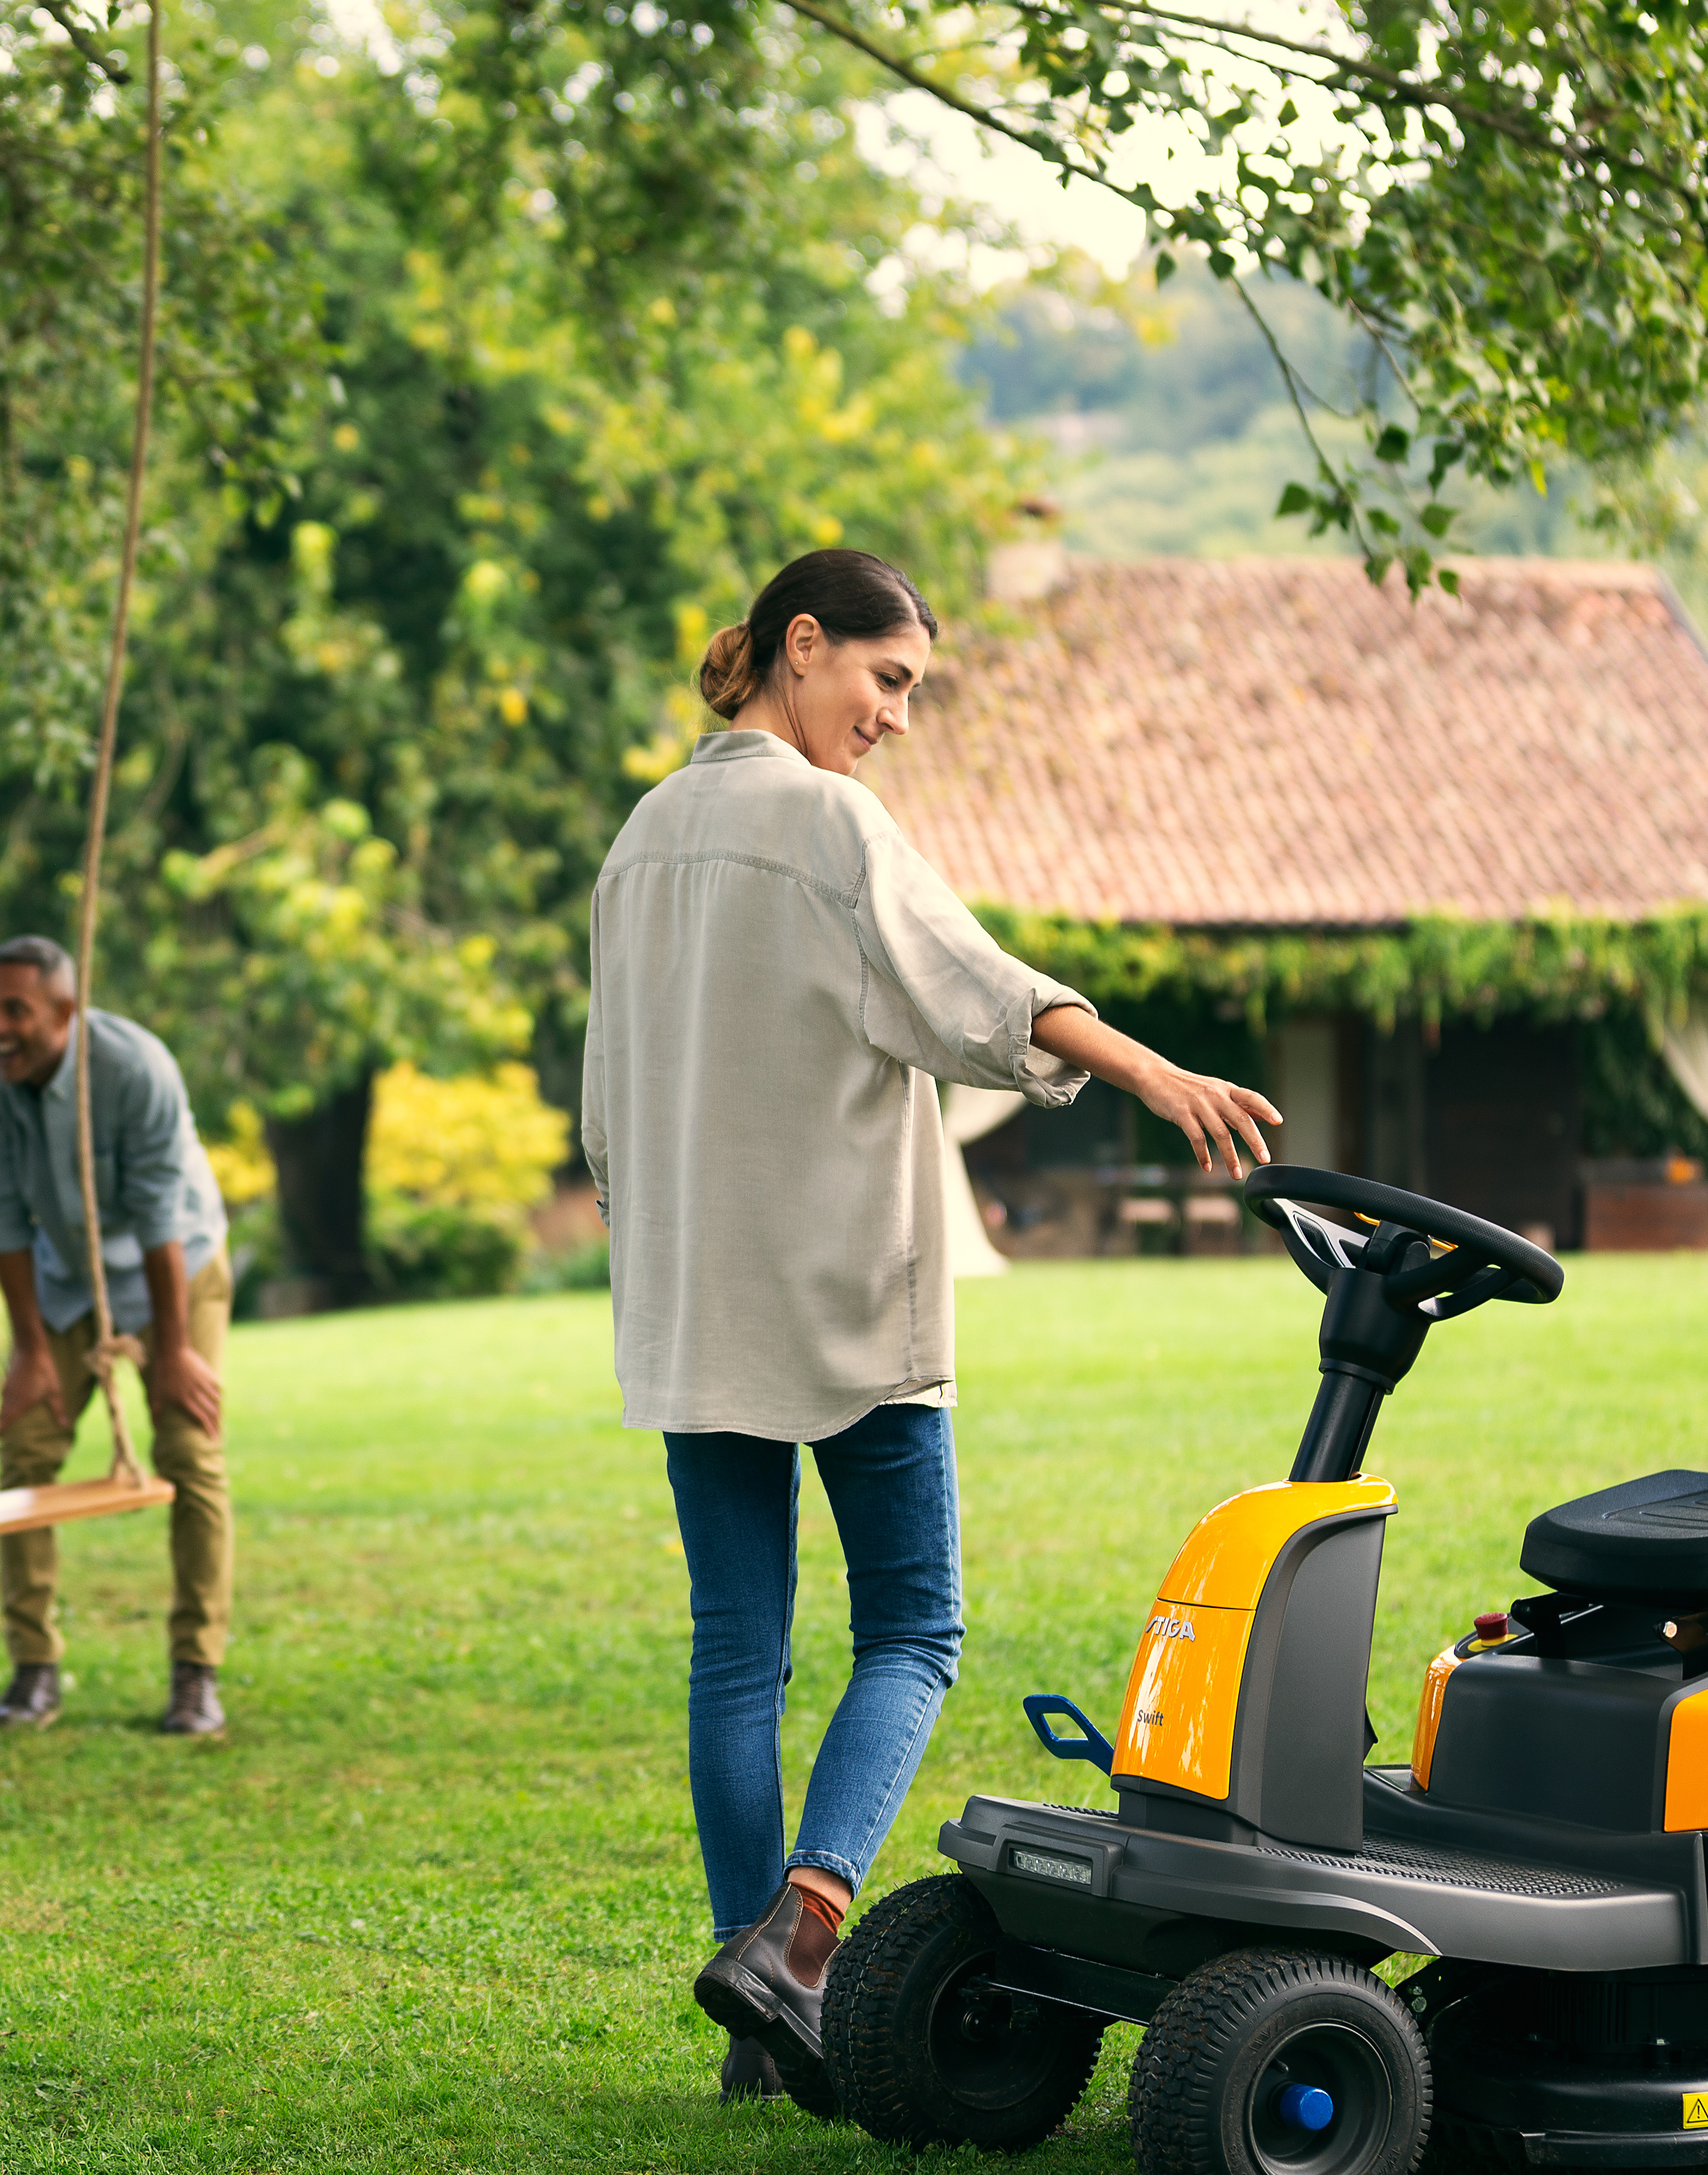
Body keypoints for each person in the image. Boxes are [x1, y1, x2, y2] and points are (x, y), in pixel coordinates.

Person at [581, 549, 1280, 2106]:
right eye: (885, 679)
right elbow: (980, 990)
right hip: (844, 1301)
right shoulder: (827, 825)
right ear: (801, 644)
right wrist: (1155, 1074)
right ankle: (806, 1937)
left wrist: (663, 1265)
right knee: (916, 1626)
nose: (894, 716)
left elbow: (604, 1109)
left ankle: (752, 2016)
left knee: (734, 1653)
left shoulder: (640, 840)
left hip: (696, 1308)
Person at [0, 935, 234, 1736]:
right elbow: (0, 1214)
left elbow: (161, 1215)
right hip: (68, 1278)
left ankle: (195, 1675)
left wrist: (173, 1350)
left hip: (175, 1269)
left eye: (17, 1011)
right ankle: (34, 1670)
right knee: (27, 1449)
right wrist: (31, 1353)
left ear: (66, 1012)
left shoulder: (135, 1067)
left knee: (190, 1449)